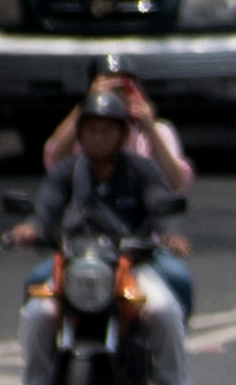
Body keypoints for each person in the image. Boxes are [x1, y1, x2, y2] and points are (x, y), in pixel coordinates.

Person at [6, 86, 192, 385]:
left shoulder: (141, 170)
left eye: (106, 130)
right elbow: (45, 209)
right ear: (80, 134)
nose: (97, 137)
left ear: (123, 135)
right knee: (37, 315)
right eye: (90, 130)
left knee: (163, 309)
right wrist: (30, 229)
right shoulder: (66, 173)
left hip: (130, 267)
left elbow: (160, 203)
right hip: (74, 265)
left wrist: (170, 235)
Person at [40, 60, 196, 325]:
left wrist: (148, 126)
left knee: (175, 284)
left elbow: (175, 185)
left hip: (139, 247)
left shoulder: (156, 135)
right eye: (109, 86)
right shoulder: (88, 133)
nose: (100, 138)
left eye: (124, 87)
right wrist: (88, 106)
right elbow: (55, 160)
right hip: (84, 248)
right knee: (37, 288)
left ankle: (170, 353)